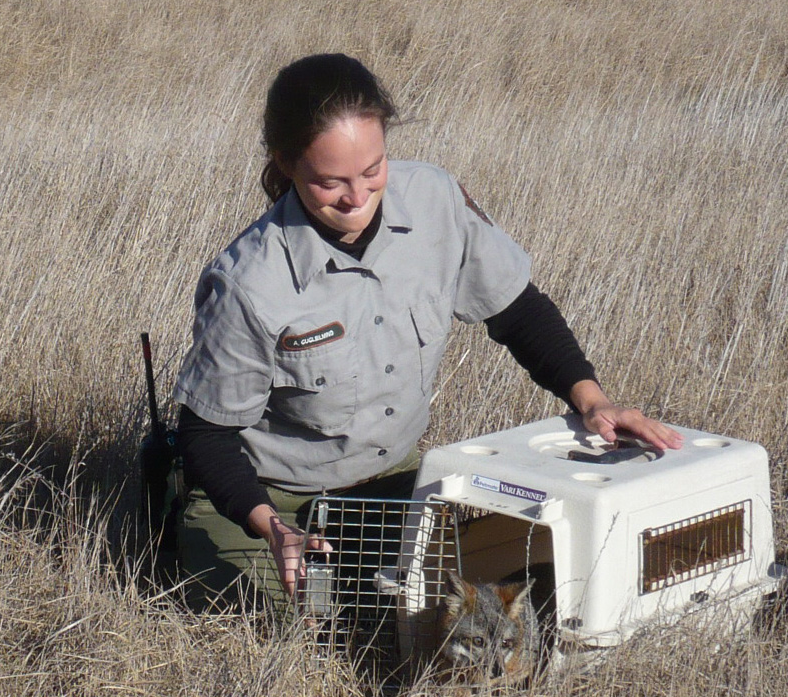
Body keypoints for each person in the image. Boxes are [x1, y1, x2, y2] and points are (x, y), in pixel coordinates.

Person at [172, 53, 683, 613]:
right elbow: (207, 437)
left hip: (390, 480)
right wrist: (271, 528)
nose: (357, 198)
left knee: (468, 604)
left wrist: (593, 402)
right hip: (269, 498)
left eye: (373, 170)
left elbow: (517, 311)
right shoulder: (249, 282)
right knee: (289, 627)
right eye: (329, 182)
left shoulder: (436, 199)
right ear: (286, 164)